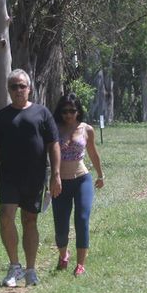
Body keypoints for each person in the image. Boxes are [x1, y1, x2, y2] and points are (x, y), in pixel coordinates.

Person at [0, 69, 62, 287]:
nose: (18, 90)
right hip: (9, 177)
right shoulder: (1, 117)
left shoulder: (42, 113)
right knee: (5, 217)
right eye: (14, 86)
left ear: (29, 88)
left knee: (30, 220)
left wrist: (56, 174)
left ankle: (30, 270)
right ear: (9, 90)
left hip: (35, 177)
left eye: (22, 86)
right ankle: (14, 267)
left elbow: (53, 145)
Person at [52, 94, 104, 276]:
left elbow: (93, 153)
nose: (68, 115)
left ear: (78, 111)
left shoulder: (87, 129)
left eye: (72, 111)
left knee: (82, 219)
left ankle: (81, 264)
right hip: (60, 182)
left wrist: (100, 175)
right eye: (65, 111)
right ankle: (63, 255)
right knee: (61, 224)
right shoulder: (54, 129)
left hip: (82, 179)